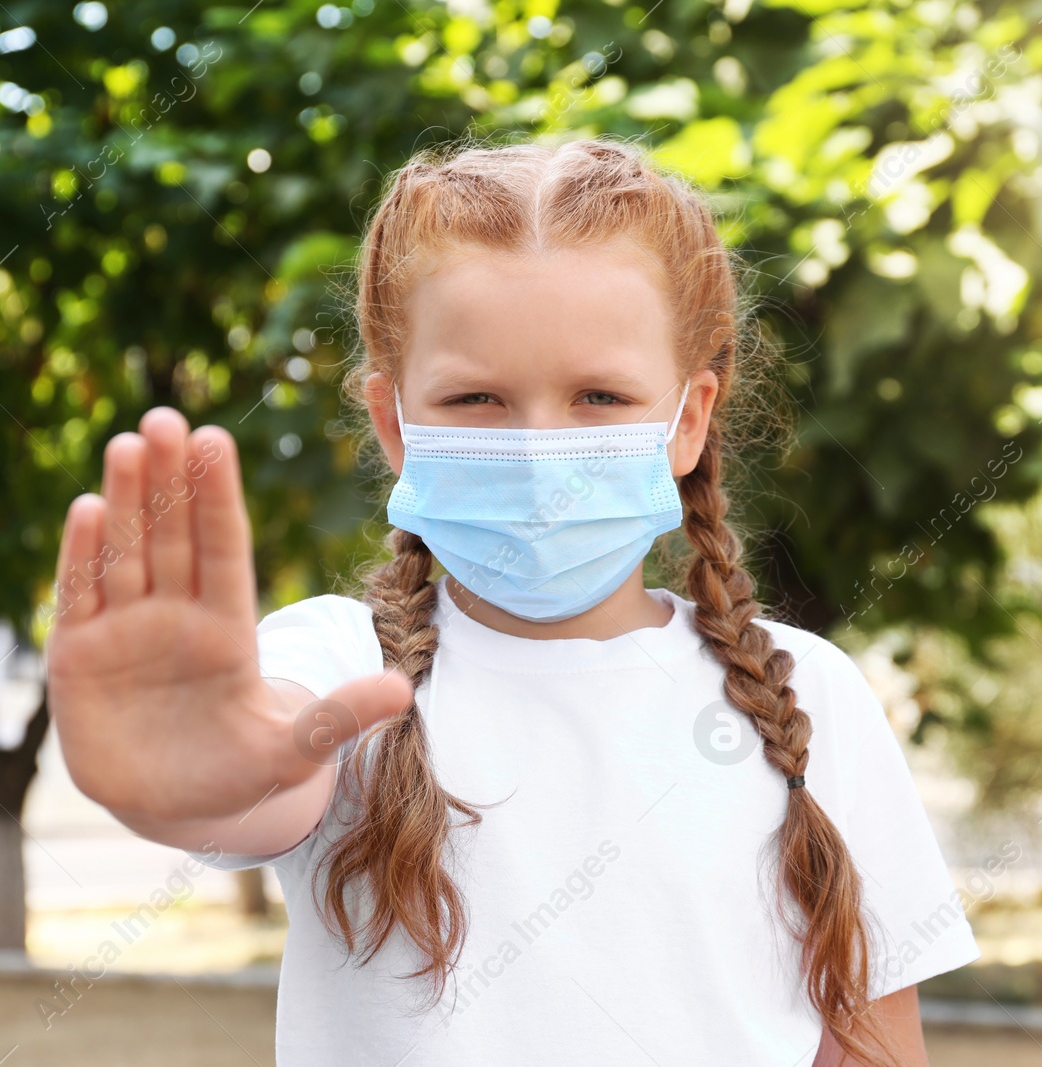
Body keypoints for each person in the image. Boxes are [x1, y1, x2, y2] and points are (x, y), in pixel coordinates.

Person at [47, 136, 979, 1066]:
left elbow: (869, 1045)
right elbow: (256, 770)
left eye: (600, 396)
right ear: (394, 423)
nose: (540, 447)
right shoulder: (341, 666)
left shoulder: (811, 694)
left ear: (688, 419)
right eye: (478, 398)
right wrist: (196, 775)